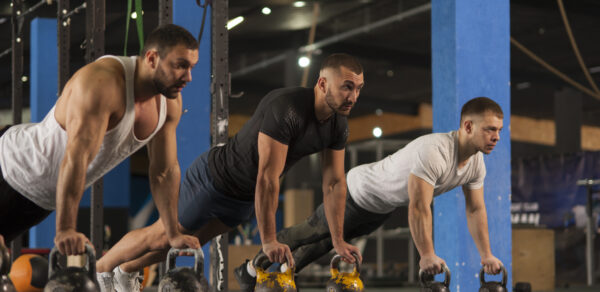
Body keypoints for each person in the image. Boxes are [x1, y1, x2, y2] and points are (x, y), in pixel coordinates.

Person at [96, 53, 365, 292]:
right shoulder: (287, 108)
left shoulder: (338, 125)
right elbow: (267, 177)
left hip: (244, 198)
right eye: (347, 87)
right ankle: (102, 270)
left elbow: (334, 183)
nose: (353, 97)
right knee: (162, 235)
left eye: (358, 89)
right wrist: (269, 240)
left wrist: (338, 240)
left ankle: (126, 271)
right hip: (215, 179)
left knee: (182, 246)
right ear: (322, 84)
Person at [235, 97, 505, 290]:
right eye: (490, 129)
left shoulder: (476, 164)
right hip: (357, 191)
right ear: (468, 127)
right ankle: (248, 272)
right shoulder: (435, 151)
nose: (496, 137)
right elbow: (419, 207)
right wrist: (426, 254)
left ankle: (277, 276)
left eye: (499, 131)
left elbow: (475, 209)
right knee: (311, 232)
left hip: (380, 208)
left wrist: (486, 255)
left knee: (326, 244)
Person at [0, 24, 201, 265]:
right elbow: (77, 157)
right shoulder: (101, 84)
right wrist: (65, 228)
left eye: (191, 67)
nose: (188, 77)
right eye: (180, 65)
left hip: (38, 201)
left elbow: (164, 171)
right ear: (152, 58)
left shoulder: (170, 104)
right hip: (10, 166)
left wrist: (172, 232)